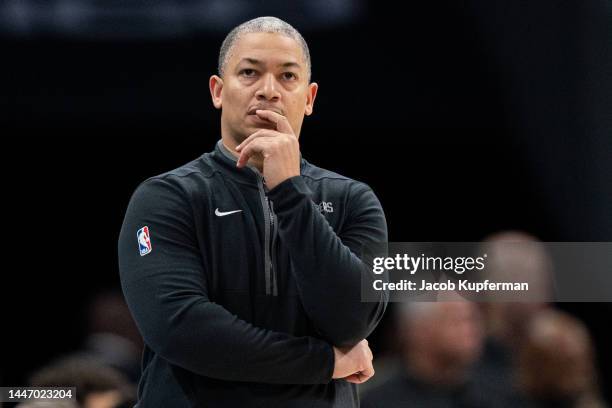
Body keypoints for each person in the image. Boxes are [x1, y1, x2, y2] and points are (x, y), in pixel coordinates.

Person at [118, 16, 388, 408]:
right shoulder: (166, 197)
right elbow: (182, 330)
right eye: (249, 72)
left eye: (287, 77)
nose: (269, 91)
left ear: (309, 98)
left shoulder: (353, 199)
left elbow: (352, 321)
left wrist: (290, 192)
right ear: (218, 90)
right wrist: (324, 361)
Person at [361, 301, 499, 408]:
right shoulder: (378, 401)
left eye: (472, 320)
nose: (470, 331)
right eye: (456, 321)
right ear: (417, 330)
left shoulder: (497, 394)